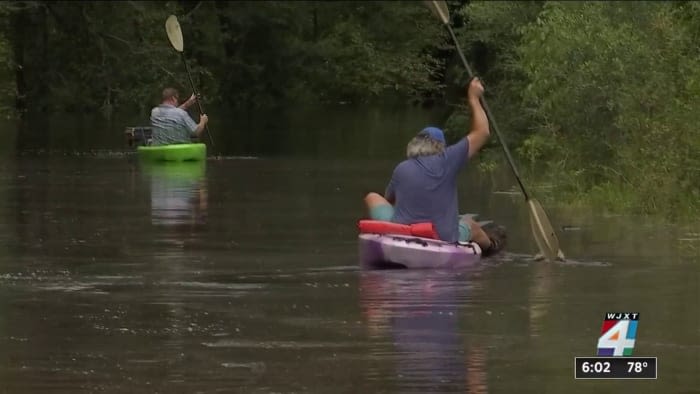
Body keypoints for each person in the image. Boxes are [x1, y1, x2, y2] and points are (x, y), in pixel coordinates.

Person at [363, 77, 505, 256]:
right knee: (472, 226)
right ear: (440, 147)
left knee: (372, 197)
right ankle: (491, 248)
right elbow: (483, 132)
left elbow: (388, 200)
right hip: (441, 237)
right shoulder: (447, 158)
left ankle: (388, 237)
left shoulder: (402, 168)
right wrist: (473, 97)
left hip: (401, 233)